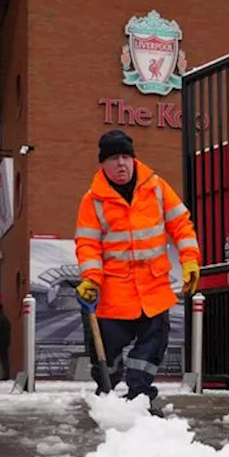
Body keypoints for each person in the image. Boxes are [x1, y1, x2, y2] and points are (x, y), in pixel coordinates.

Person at [74, 129, 200, 415]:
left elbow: (181, 224)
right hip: (114, 295)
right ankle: (107, 393)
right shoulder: (92, 200)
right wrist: (91, 279)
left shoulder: (156, 187)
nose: (122, 164)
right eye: (114, 158)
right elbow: (88, 244)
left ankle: (140, 396)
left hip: (153, 290)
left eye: (126, 157)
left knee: (152, 345)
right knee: (107, 353)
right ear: (102, 164)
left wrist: (190, 259)